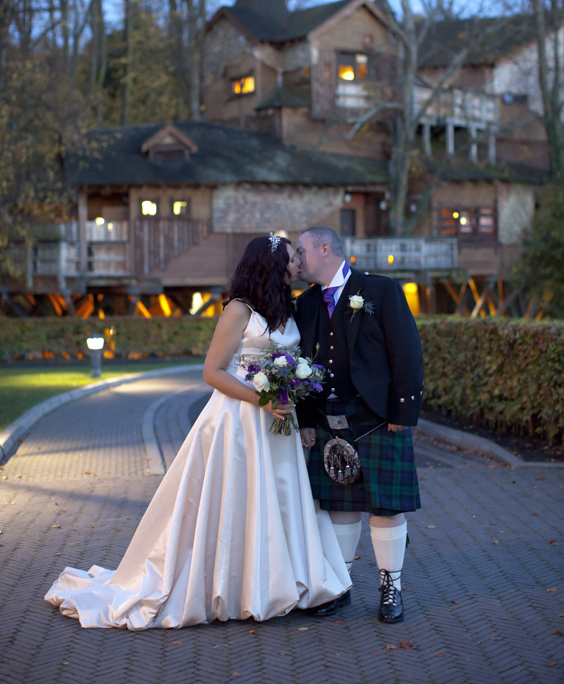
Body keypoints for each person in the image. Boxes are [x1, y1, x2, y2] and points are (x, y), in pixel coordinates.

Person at [45, 234, 351, 629]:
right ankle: (235, 586)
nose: (297, 265)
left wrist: (289, 391)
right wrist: (262, 400)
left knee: (281, 498)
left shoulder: (288, 310)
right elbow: (212, 372)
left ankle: (281, 581)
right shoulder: (239, 310)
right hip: (239, 421)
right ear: (270, 265)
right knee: (239, 499)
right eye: (291, 259)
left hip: (280, 420)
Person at [295, 226, 423, 623]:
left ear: (325, 248)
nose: (297, 261)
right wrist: (305, 418)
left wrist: (403, 414)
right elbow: (300, 365)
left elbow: (407, 353)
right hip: (329, 420)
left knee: (385, 508)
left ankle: (392, 589)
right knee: (340, 508)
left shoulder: (381, 290)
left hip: (379, 419)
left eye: (301, 252)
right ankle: (341, 585)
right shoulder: (306, 303)